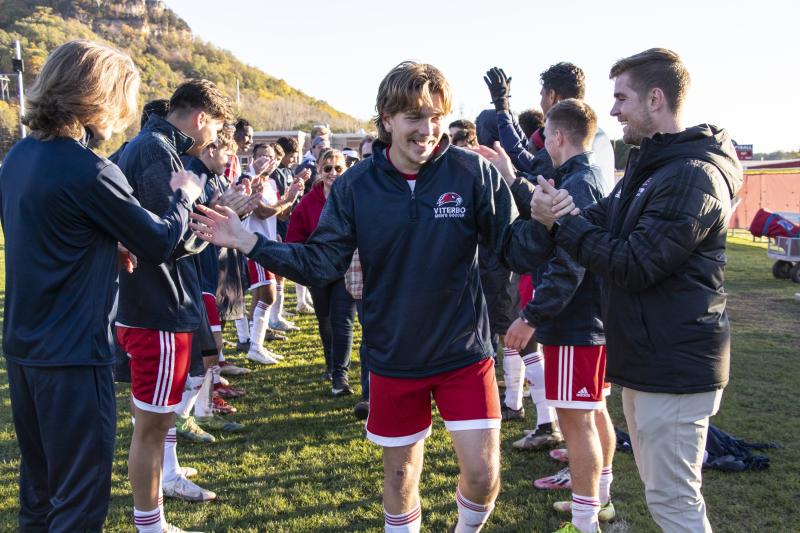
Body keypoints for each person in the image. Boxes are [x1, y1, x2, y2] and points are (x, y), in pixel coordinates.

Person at [189, 61, 537, 533]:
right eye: (415, 117)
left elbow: (514, 247)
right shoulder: (356, 185)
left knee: (483, 476)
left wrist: (546, 223)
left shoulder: (471, 171)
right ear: (387, 118)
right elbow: (321, 263)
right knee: (400, 475)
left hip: (463, 350)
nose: (428, 129)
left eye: (436, 116)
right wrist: (250, 242)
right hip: (393, 354)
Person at [529, 48, 742, 533]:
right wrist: (553, 207)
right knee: (663, 494)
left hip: (675, 366)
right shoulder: (655, 168)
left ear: (655, 98)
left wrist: (562, 222)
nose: (614, 110)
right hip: (651, 361)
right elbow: (600, 221)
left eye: (621, 98)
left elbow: (636, 263)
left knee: (673, 501)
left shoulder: (690, 175)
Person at [0, 40, 204, 532]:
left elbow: (39, 227)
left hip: (24, 349)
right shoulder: (91, 169)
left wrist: (99, 245)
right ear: (99, 98)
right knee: (79, 502)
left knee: (40, 493)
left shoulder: (20, 156)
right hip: (73, 355)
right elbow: (159, 241)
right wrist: (185, 196)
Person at [488, 99, 617, 533]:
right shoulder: (583, 175)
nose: (543, 139)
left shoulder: (580, 183)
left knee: (576, 423)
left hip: (574, 323)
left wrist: (532, 315)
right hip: (587, 321)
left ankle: (586, 520)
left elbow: (570, 263)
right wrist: (513, 177)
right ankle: (601, 502)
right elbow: (546, 200)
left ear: (558, 135)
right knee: (593, 412)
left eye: (545, 132)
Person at [115, 78, 232, 533]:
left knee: (154, 418)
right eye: (215, 128)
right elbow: (166, 240)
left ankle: (164, 489)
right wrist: (198, 213)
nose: (213, 140)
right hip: (157, 306)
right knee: (150, 425)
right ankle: (150, 522)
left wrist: (207, 216)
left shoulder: (146, 145)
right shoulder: (155, 150)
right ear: (202, 118)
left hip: (150, 304)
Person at [285, 149, 356, 395]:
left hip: (346, 270)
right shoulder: (308, 202)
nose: (333, 173)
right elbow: (294, 237)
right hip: (318, 270)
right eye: (327, 169)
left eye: (338, 168)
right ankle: (331, 364)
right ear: (319, 170)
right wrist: (305, 259)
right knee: (325, 320)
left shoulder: (353, 198)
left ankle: (340, 376)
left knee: (343, 320)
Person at [484, 63, 616, 191]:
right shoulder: (595, 133)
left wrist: (502, 108)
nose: (540, 102)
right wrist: (506, 109)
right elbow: (529, 155)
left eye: (542, 95)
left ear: (552, 95)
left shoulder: (565, 136)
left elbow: (524, 159)